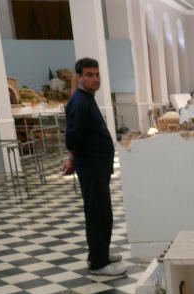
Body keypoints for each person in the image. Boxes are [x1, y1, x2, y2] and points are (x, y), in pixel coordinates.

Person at [63, 57, 126, 276]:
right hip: (91, 167)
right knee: (98, 214)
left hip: (97, 166)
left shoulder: (87, 99)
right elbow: (73, 136)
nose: (95, 79)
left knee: (102, 213)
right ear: (79, 77)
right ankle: (99, 263)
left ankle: (100, 253)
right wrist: (72, 158)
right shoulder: (79, 102)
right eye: (89, 75)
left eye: (97, 74)